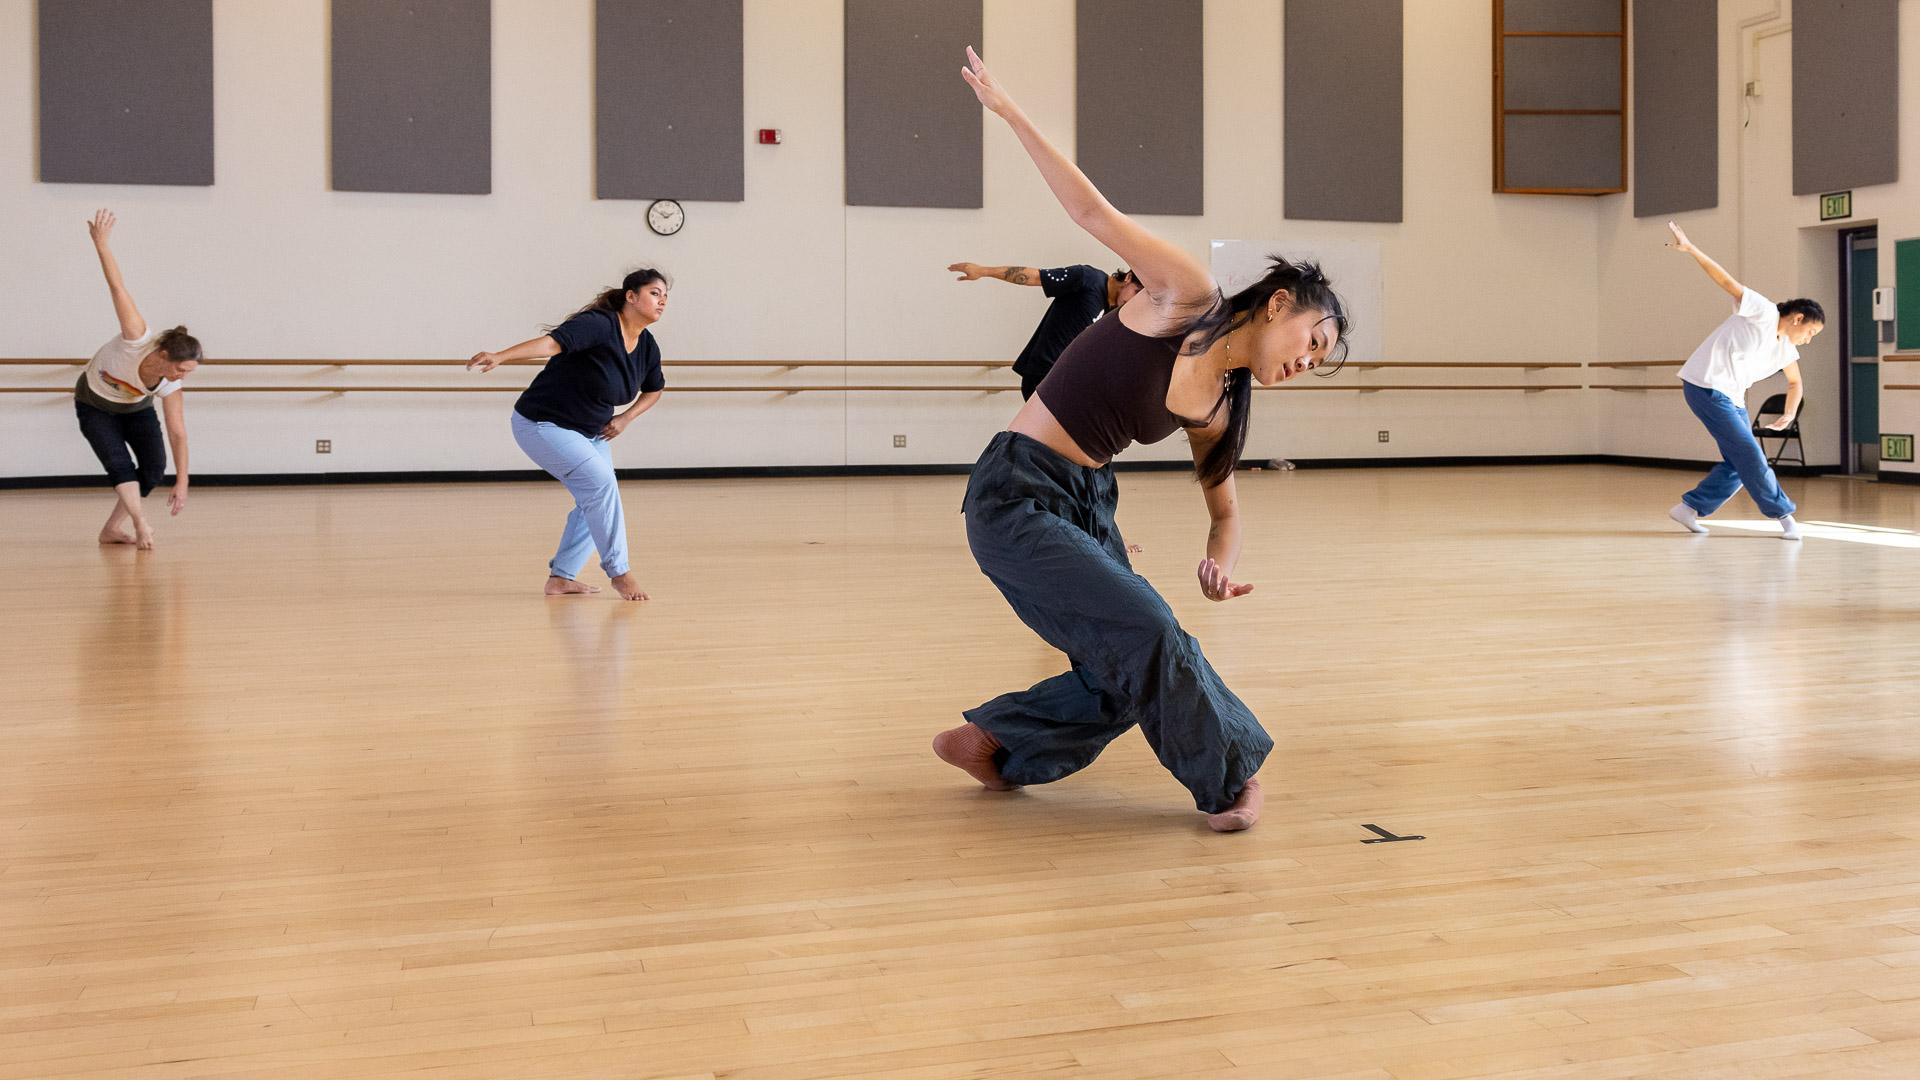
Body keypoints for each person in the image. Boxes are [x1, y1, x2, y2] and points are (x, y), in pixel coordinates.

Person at [934, 48, 1347, 832]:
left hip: (1087, 503)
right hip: (1016, 492)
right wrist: (1014, 114)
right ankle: (1231, 781)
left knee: (1131, 657)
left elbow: (1226, 517)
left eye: (1317, 362)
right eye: (1313, 342)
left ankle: (992, 742)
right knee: (1149, 634)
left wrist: (1218, 569)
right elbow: (1093, 216)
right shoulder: (1185, 297)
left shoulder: (1222, 408)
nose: (1305, 362)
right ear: (1280, 303)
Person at [468, 270, 668, 600]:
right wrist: (500, 355)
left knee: (597, 498)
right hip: (542, 424)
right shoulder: (600, 324)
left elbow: (655, 389)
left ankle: (561, 577)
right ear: (631, 296)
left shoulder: (647, 345)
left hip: (591, 432)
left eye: (665, 297)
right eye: (654, 293)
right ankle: (620, 573)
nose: (661, 301)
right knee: (601, 486)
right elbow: (551, 344)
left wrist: (626, 418)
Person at [1663, 222, 1824, 541]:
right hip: (1705, 386)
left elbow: (1795, 384)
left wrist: (1789, 414)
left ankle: (1689, 508)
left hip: (1731, 398)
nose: (1808, 339)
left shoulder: (1785, 349)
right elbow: (1727, 282)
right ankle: (1785, 515)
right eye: (1810, 332)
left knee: (1739, 462)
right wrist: (1692, 249)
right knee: (1751, 455)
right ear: (1797, 318)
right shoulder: (1762, 312)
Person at [73, 210, 201, 551]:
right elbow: (117, 287)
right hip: (94, 404)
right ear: (162, 354)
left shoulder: (170, 383)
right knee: (119, 464)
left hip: (133, 408)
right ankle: (141, 523)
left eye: (188, 373)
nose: (181, 377)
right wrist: (101, 244)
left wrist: (183, 482)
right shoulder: (136, 337)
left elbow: (178, 432)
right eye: (180, 369)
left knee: (154, 467)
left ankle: (112, 528)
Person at [946, 261, 1142, 398]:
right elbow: (1035, 277)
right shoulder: (1088, 279)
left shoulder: (1115, 312)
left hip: (1069, 380)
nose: (1134, 302)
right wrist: (984, 271)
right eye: (1136, 293)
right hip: (1044, 377)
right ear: (1128, 278)